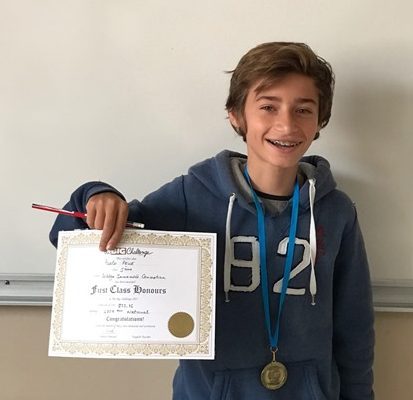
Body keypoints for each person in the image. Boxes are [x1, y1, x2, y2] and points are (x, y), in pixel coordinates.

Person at [50, 42, 375, 400]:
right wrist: (95, 195)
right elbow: (74, 237)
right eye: (268, 107)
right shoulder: (191, 196)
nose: (286, 124)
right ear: (236, 115)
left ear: (319, 121)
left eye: (303, 110)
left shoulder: (336, 211)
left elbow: (354, 325)